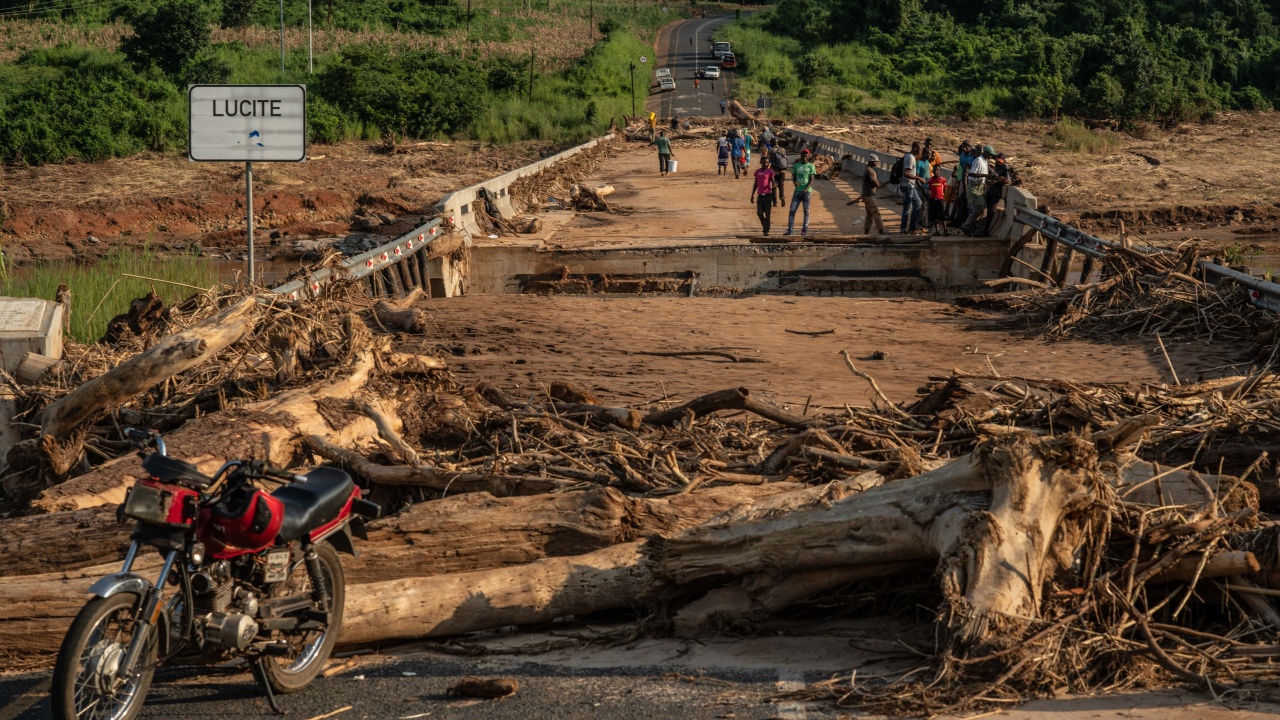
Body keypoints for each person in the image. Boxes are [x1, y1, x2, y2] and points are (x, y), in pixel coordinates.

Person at [846, 156, 887, 235]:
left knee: (869, 214)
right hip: (869, 195)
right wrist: (879, 183)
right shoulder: (870, 171)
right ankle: (881, 231)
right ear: (871, 162)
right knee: (876, 213)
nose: (877, 163)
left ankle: (866, 231)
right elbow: (876, 184)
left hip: (866, 194)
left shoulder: (868, 170)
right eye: (875, 161)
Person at [962, 145, 996, 235]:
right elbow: (972, 174)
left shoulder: (985, 161)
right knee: (978, 209)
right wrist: (985, 176)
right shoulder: (978, 160)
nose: (991, 156)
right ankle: (966, 226)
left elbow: (989, 172)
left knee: (984, 209)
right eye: (990, 154)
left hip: (981, 186)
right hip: (974, 186)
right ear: (985, 153)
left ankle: (979, 231)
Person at [784, 148, 816, 236]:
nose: (804, 157)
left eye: (806, 156)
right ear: (800, 156)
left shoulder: (811, 166)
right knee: (792, 210)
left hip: (807, 192)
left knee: (806, 212)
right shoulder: (796, 165)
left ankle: (804, 230)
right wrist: (794, 182)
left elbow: (812, 179)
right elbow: (793, 176)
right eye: (803, 155)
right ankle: (790, 229)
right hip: (797, 191)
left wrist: (806, 189)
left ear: (809, 156)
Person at [980, 152, 1012, 236]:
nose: (998, 162)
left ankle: (985, 231)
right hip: (990, 190)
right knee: (985, 210)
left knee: (991, 212)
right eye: (997, 160)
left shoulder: (1005, 168)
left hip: (997, 192)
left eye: (1000, 160)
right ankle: (981, 229)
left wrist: (998, 179)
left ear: (1003, 160)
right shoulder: (995, 166)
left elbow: (1006, 181)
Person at [899, 142, 924, 234]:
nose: (920, 151)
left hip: (911, 186)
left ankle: (912, 226)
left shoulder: (912, 157)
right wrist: (918, 178)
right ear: (914, 148)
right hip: (907, 186)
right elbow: (906, 173)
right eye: (919, 149)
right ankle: (903, 228)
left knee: (918, 203)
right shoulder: (910, 158)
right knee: (907, 208)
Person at [750, 156, 779, 236]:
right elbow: (755, 184)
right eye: (763, 162)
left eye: (767, 162)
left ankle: (765, 230)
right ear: (760, 162)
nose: (765, 164)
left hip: (768, 195)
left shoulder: (770, 171)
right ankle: (765, 225)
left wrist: (774, 185)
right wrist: (752, 195)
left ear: (768, 163)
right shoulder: (757, 172)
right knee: (759, 213)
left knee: (767, 213)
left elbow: (773, 182)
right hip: (760, 195)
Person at [927, 165, 948, 236]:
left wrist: (943, 196)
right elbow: (930, 188)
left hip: (940, 200)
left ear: (939, 171)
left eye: (937, 170)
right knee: (934, 215)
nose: (936, 171)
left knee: (942, 216)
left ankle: (945, 230)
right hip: (933, 199)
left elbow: (945, 188)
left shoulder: (943, 179)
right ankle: (937, 231)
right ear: (932, 171)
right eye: (934, 170)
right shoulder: (930, 180)